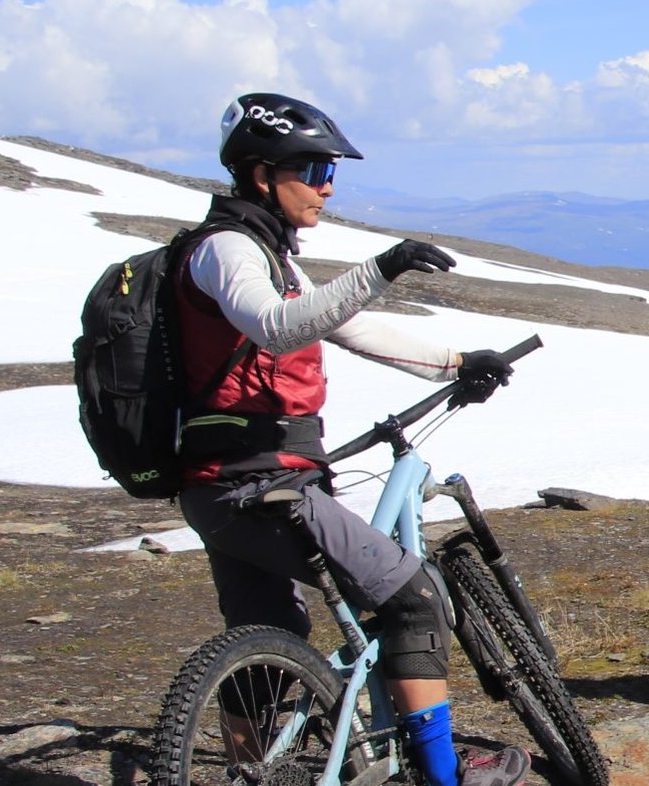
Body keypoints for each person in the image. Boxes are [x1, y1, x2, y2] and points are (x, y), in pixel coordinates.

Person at [177, 93, 530, 786]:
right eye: (310, 169)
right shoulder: (227, 251)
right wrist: (382, 268)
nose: (326, 185)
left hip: (221, 485)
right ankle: (439, 776)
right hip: (260, 484)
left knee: (272, 633)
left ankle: (254, 777)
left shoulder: (263, 252)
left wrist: (457, 362)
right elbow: (278, 327)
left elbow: (341, 327)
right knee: (415, 597)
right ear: (258, 175)